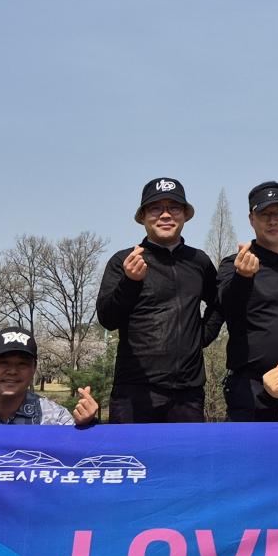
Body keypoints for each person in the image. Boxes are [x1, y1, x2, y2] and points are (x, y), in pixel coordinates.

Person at [95, 176, 223, 423]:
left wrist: (201, 337)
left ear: (184, 215)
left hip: (188, 393)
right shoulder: (124, 261)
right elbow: (107, 319)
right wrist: (130, 282)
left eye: (174, 208)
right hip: (134, 392)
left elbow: (219, 303)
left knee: (186, 450)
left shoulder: (199, 261)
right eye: (156, 208)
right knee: (129, 450)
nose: (165, 215)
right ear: (142, 216)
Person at [218, 181, 278, 421]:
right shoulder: (235, 264)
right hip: (250, 387)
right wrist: (243, 278)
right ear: (252, 219)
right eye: (264, 214)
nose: (273, 221)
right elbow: (226, 307)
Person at [0, 328, 99, 427]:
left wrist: (87, 426)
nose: (13, 371)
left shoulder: (57, 420)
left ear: (34, 369)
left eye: (22, 364)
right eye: (3, 363)